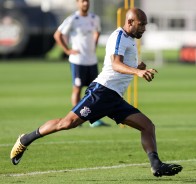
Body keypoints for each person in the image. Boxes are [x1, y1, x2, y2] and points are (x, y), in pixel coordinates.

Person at [10, 8, 182, 177]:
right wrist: (137, 72)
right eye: (141, 24)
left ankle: (156, 165)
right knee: (67, 123)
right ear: (130, 22)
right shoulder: (119, 36)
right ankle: (25, 139)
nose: (144, 28)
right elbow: (115, 64)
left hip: (114, 98)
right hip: (102, 92)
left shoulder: (130, 39)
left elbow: (121, 66)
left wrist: (138, 68)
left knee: (147, 126)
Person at [53, 0, 108, 127]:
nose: (85, 4)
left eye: (87, 1)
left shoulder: (94, 18)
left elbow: (97, 31)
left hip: (92, 60)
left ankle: (94, 119)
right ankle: (76, 118)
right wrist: (67, 50)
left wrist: (94, 44)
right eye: (83, 1)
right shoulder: (73, 19)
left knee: (94, 90)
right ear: (78, 3)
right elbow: (57, 34)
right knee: (77, 88)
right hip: (78, 60)